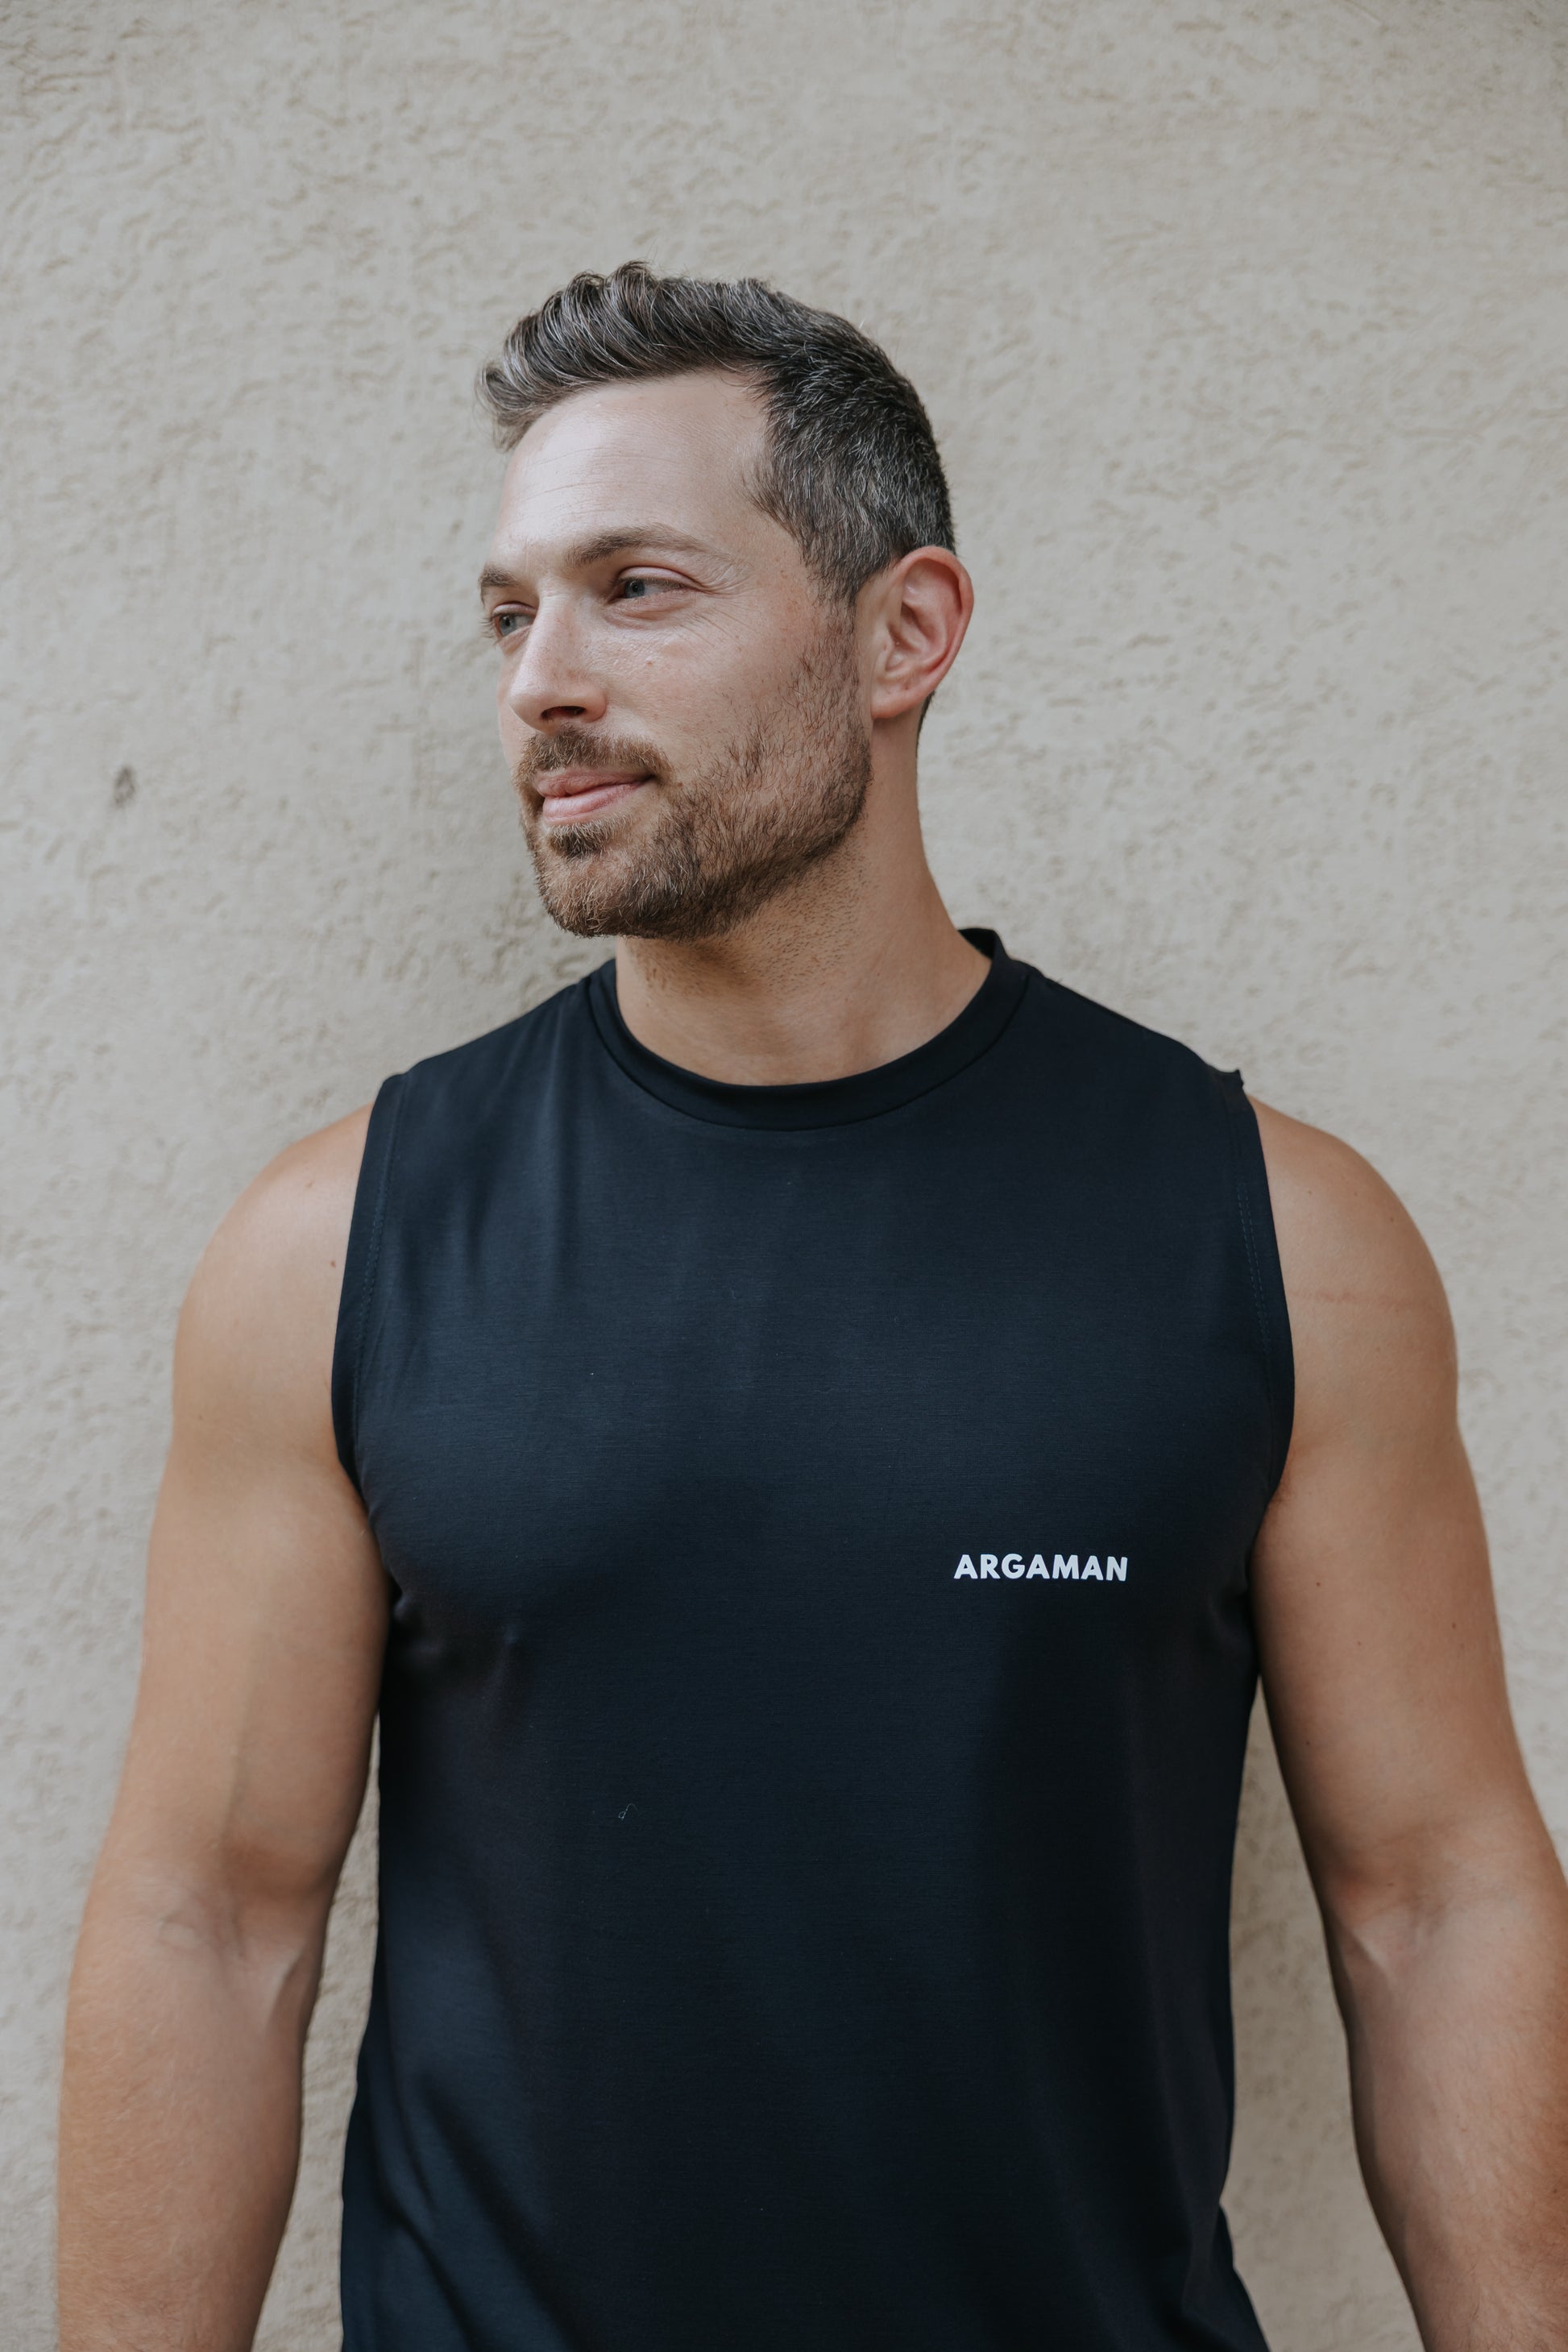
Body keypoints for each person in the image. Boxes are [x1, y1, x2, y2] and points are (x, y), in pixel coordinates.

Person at [58, 263, 1568, 2352]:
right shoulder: (340, 1245)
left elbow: (1434, 1899)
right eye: (508, 614)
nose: (540, 682)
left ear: (901, 634)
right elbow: (210, 1922)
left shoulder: (1272, 1234)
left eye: (636, 591)